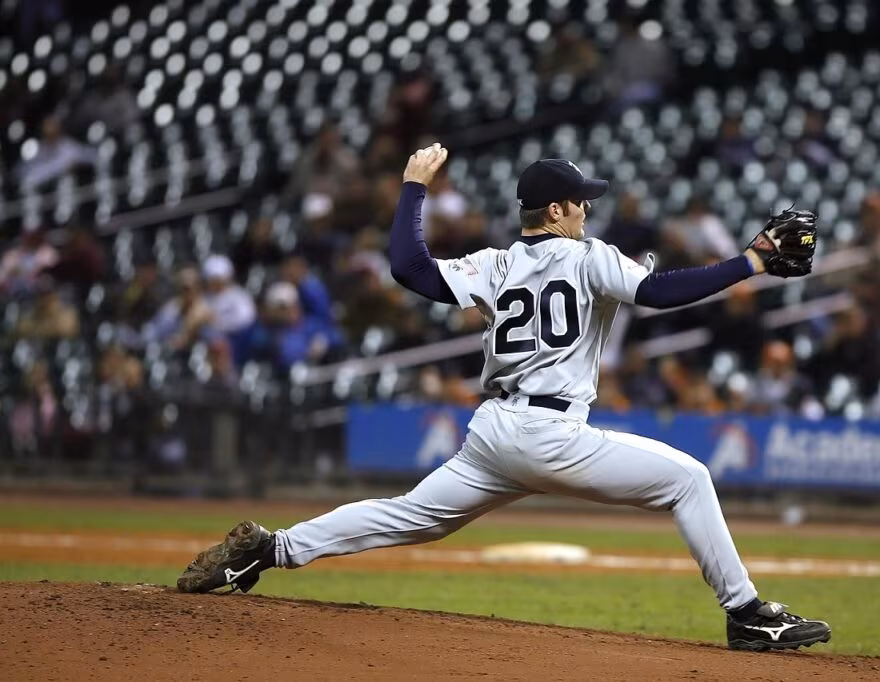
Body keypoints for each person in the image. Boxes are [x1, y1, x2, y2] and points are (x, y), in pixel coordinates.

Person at [177, 145, 830, 652]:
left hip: (495, 433)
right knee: (689, 479)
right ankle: (747, 616)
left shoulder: (493, 265)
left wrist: (414, 184)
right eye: (579, 203)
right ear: (555, 212)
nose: (586, 211)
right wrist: (754, 261)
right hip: (551, 435)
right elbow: (658, 294)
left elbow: (407, 266)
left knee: (409, 515)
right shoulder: (587, 257)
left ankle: (271, 548)